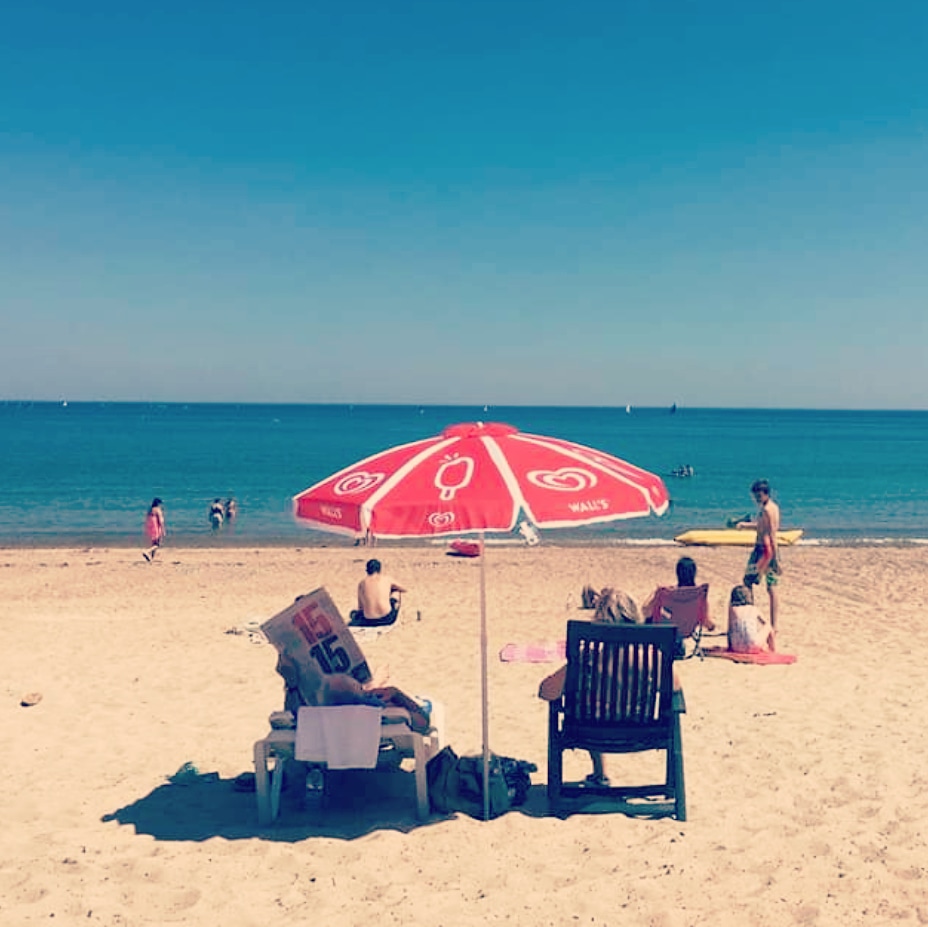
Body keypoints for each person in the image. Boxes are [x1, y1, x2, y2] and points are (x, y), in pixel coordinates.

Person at [538, 587, 645, 788]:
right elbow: (676, 689)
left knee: (592, 705)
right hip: (641, 731)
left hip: (591, 731)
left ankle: (599, 774)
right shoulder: (650, 658)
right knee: (598, 706)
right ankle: (600, 774)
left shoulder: (588, 657)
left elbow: (546, 691)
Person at [735, 479, 781, 633]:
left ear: (766, 493)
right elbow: (762, 526)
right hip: (767, 550)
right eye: (755, 496)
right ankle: (773, 625)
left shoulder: (768, 510)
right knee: (770, 587)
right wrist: (745, 525)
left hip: (764, 551)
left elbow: (772, 533)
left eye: (759, 496)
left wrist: (775, 558)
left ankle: (753, 619)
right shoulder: (770, 507)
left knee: (749, 582)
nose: (756, 499)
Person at [642, 556, 716, 636]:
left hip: (667, 631)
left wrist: (654, 593)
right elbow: (704, 620)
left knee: (651, 617)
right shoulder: (699, 593)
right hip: (687, 631)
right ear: (694, 573)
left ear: (677, 573)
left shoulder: (666, 592)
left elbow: (646, 611)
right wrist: (711, 627)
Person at [349, 559, 407, 627]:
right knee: (396, 591)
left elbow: (360, 607)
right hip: (387, 619)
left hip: (369, 620)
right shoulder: (387, 579)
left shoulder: (361, 583)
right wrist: (390, 590)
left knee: (355, 614)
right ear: (379, 569)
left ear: (367, 570)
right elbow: (404, 589)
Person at [727, 585, 775, 653]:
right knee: (768, 626)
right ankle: (772, 650)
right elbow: (767, 624)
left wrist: (730, 647)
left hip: (736, 647)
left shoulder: (732, 610)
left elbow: (730, 630)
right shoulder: (753, 609)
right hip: (753, 645)